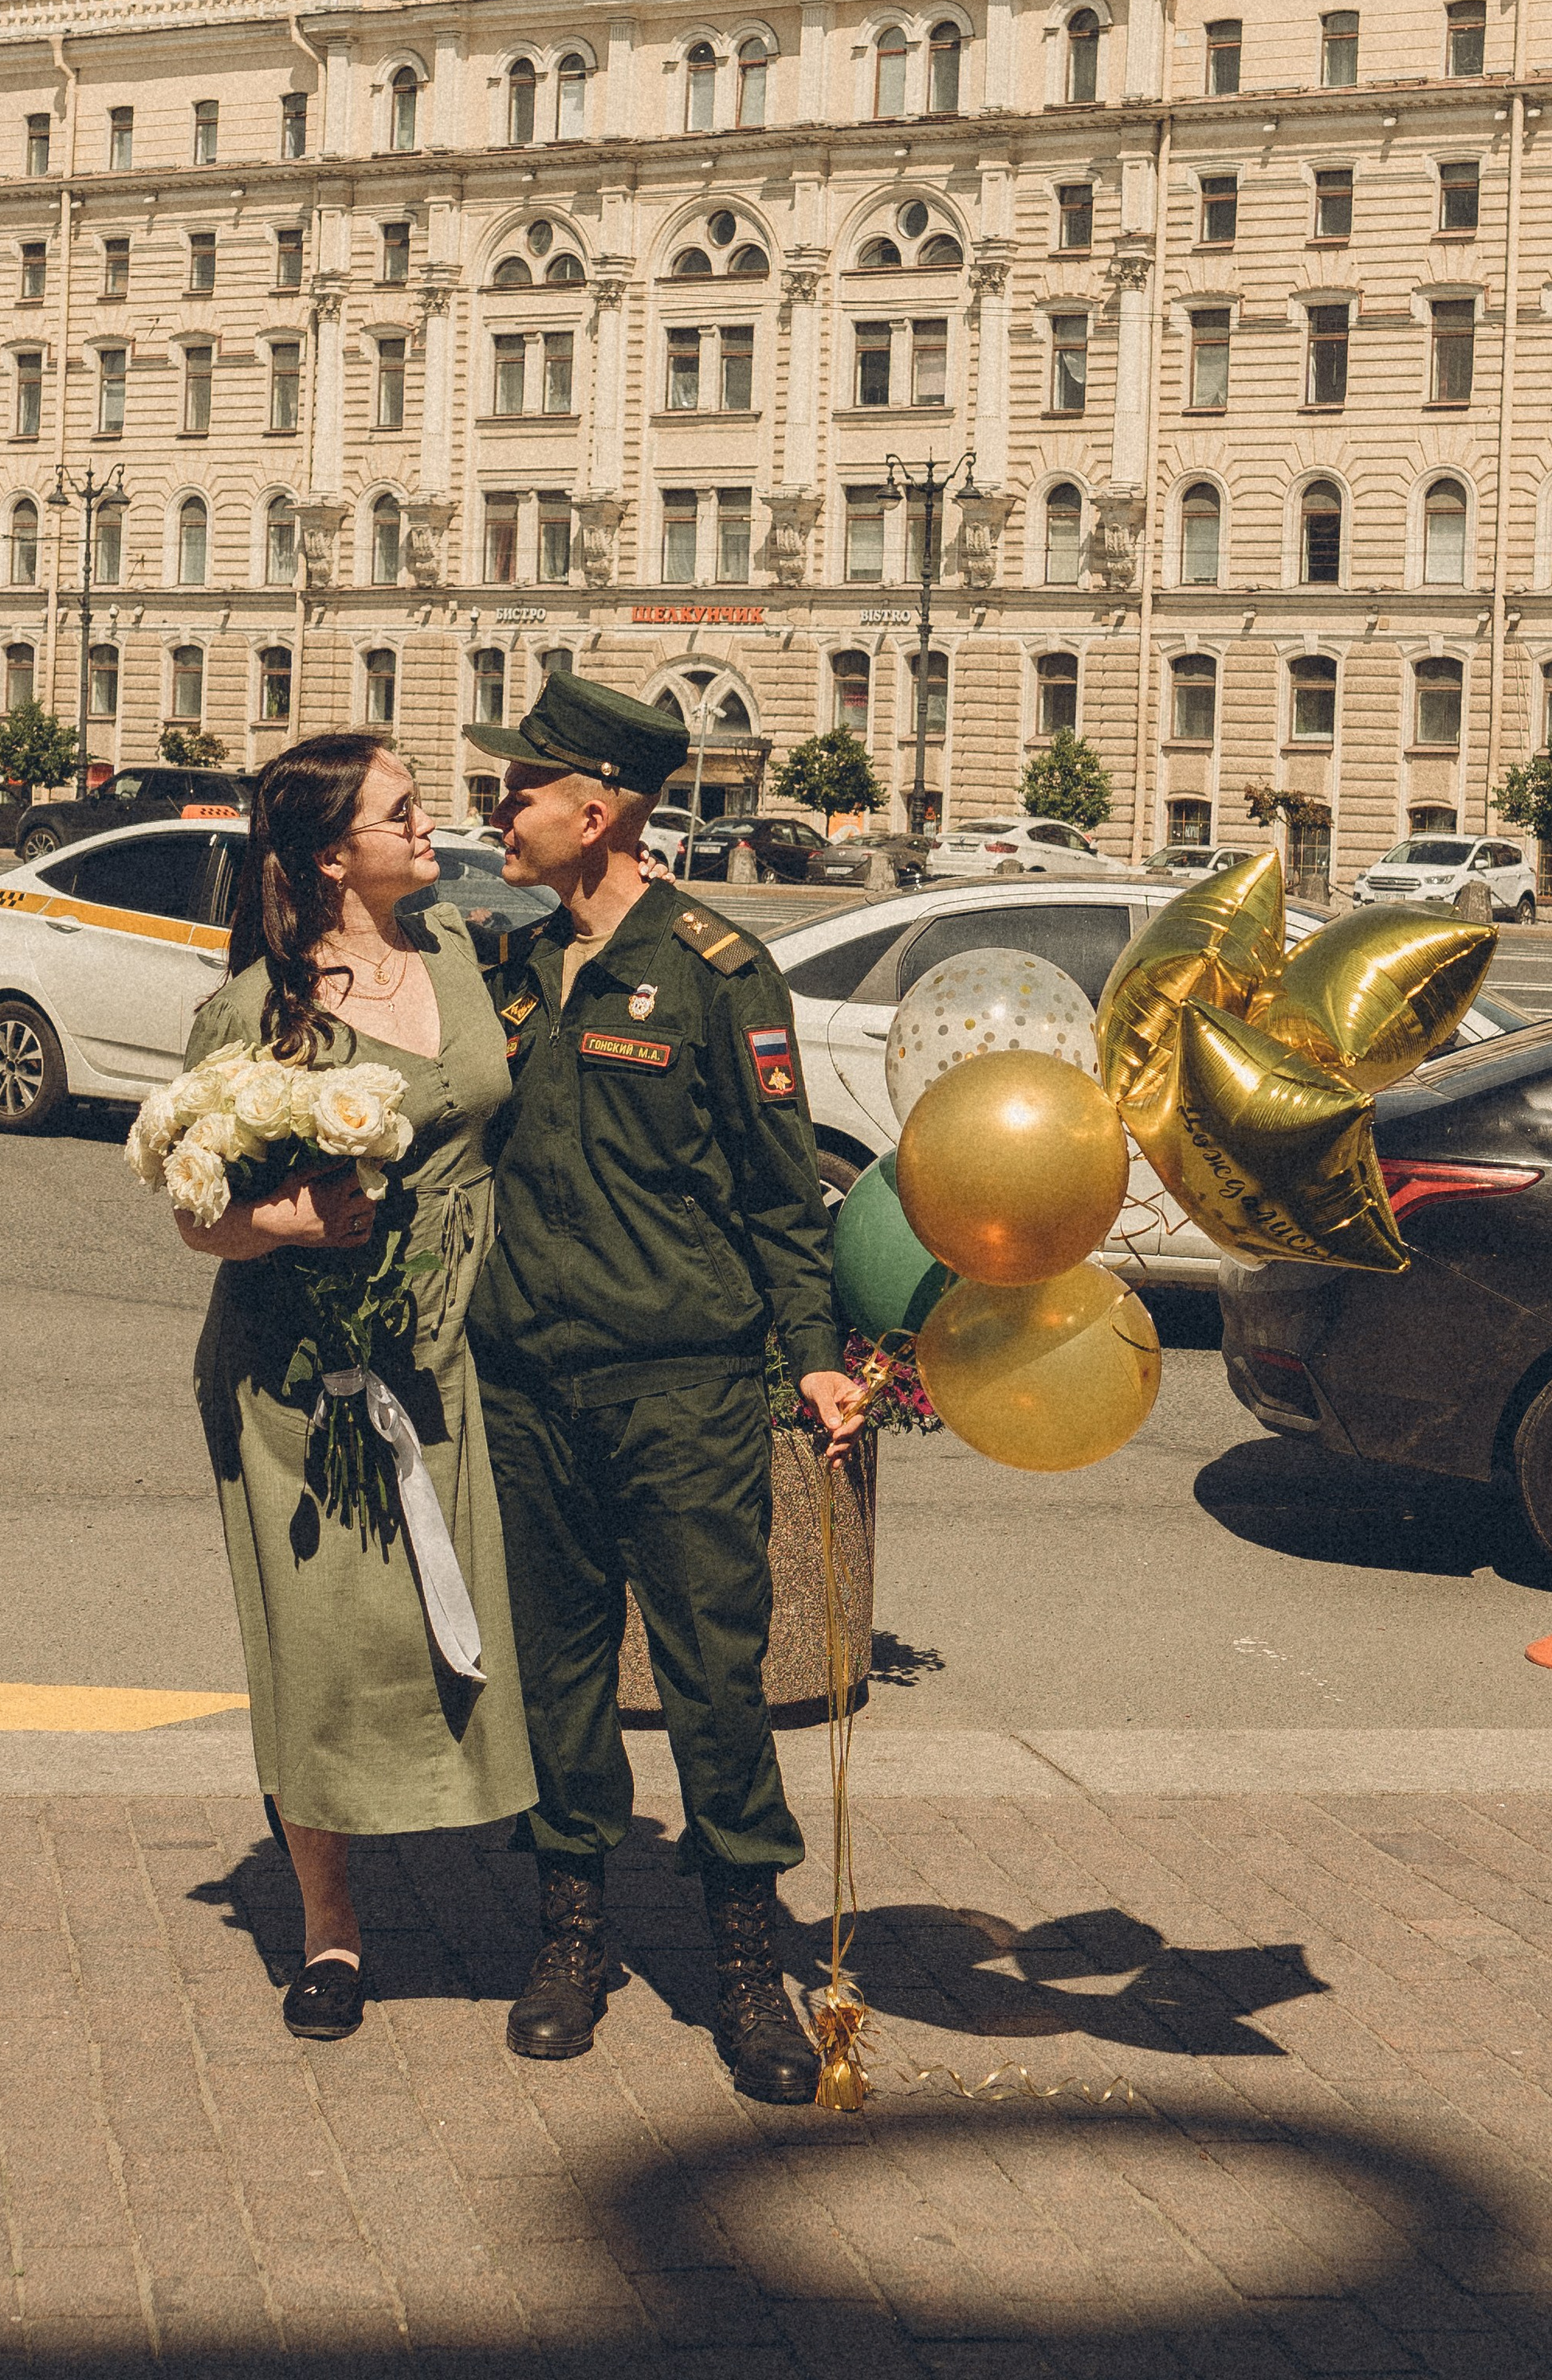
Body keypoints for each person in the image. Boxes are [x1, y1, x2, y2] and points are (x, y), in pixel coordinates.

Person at [462, 670, 868, 2104]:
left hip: (681, 1387)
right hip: (528, 1381)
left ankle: (746, 1964)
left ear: (599, 809)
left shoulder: (713, 969)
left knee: (713, 1678)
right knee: (558, 1674)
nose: (498, 805)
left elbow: (780, 1197)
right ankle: (572, 1934)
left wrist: (813, 1358)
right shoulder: (511, 967)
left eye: (521, 788)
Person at [172, 734, 533, 2040]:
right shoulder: (257, 1012)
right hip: (302, 1376)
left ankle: (510, 1847)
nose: (432, 827)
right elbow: (197, 1215)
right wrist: (286, 1227)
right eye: (406, 811)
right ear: (334, 855)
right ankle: (331, 1931)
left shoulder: (455, 955)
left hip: (454, 1349)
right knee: (321, 1650)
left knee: (469, 1623)